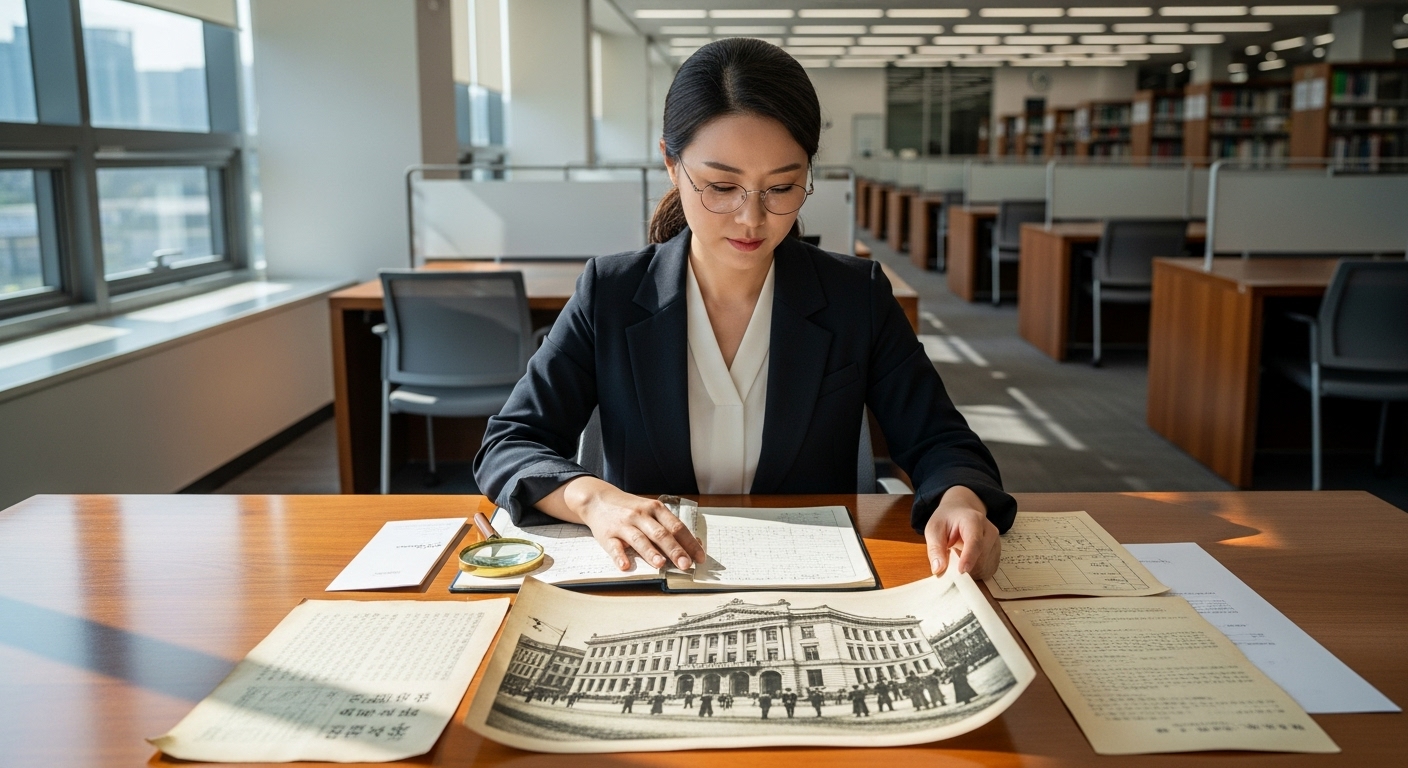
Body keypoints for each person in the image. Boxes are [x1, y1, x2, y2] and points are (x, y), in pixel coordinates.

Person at [473, 39, 1014, 581]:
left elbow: (942, 441)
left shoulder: (856, 296)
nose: (751, 218)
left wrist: (959, 497)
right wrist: (593, 499)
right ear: (671, 163)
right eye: (722, 186)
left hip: (812, 578)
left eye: (781, 187)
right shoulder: (610, 293)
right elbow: (511, 442)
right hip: (652, 579)